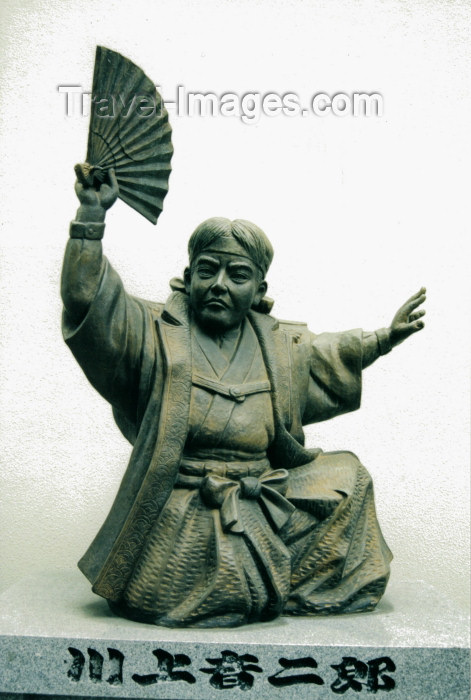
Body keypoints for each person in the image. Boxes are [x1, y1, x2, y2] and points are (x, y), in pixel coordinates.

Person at [61, 170, 426, 628]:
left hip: (263, 486)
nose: (219, 284)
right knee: (226, 588)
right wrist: (91, 216)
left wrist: (382, 338)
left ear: (259, 290)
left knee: (347, 478)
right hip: (186, 499)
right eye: (208, 269)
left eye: (237, 275)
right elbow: (89, 302)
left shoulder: (276, 346)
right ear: (188, 275)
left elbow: (329, 353)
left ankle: (313, 590)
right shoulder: (156, 333)